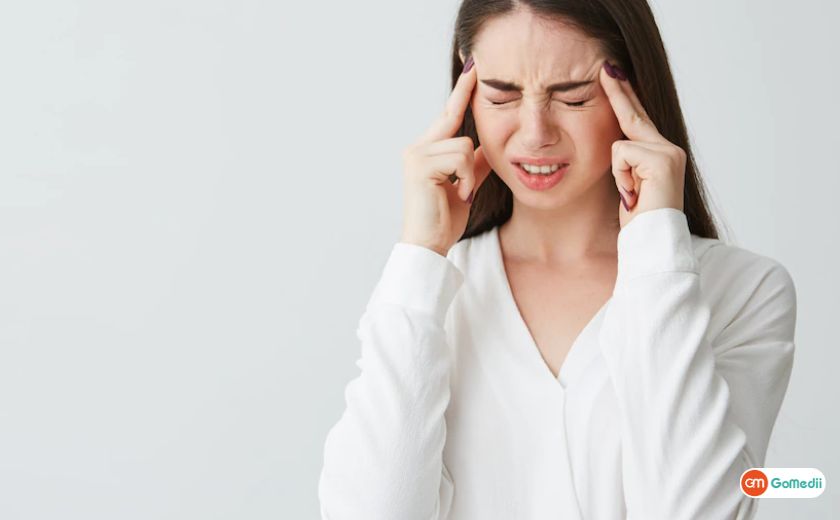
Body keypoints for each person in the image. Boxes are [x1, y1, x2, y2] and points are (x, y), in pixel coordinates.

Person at [317, 1, 798, 519]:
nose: (534, 133)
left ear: (633, 89)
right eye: (501, 95)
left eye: (573, 97)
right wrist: (420, 253)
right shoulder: (428, 292)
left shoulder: (743, 291)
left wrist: (658, 249)